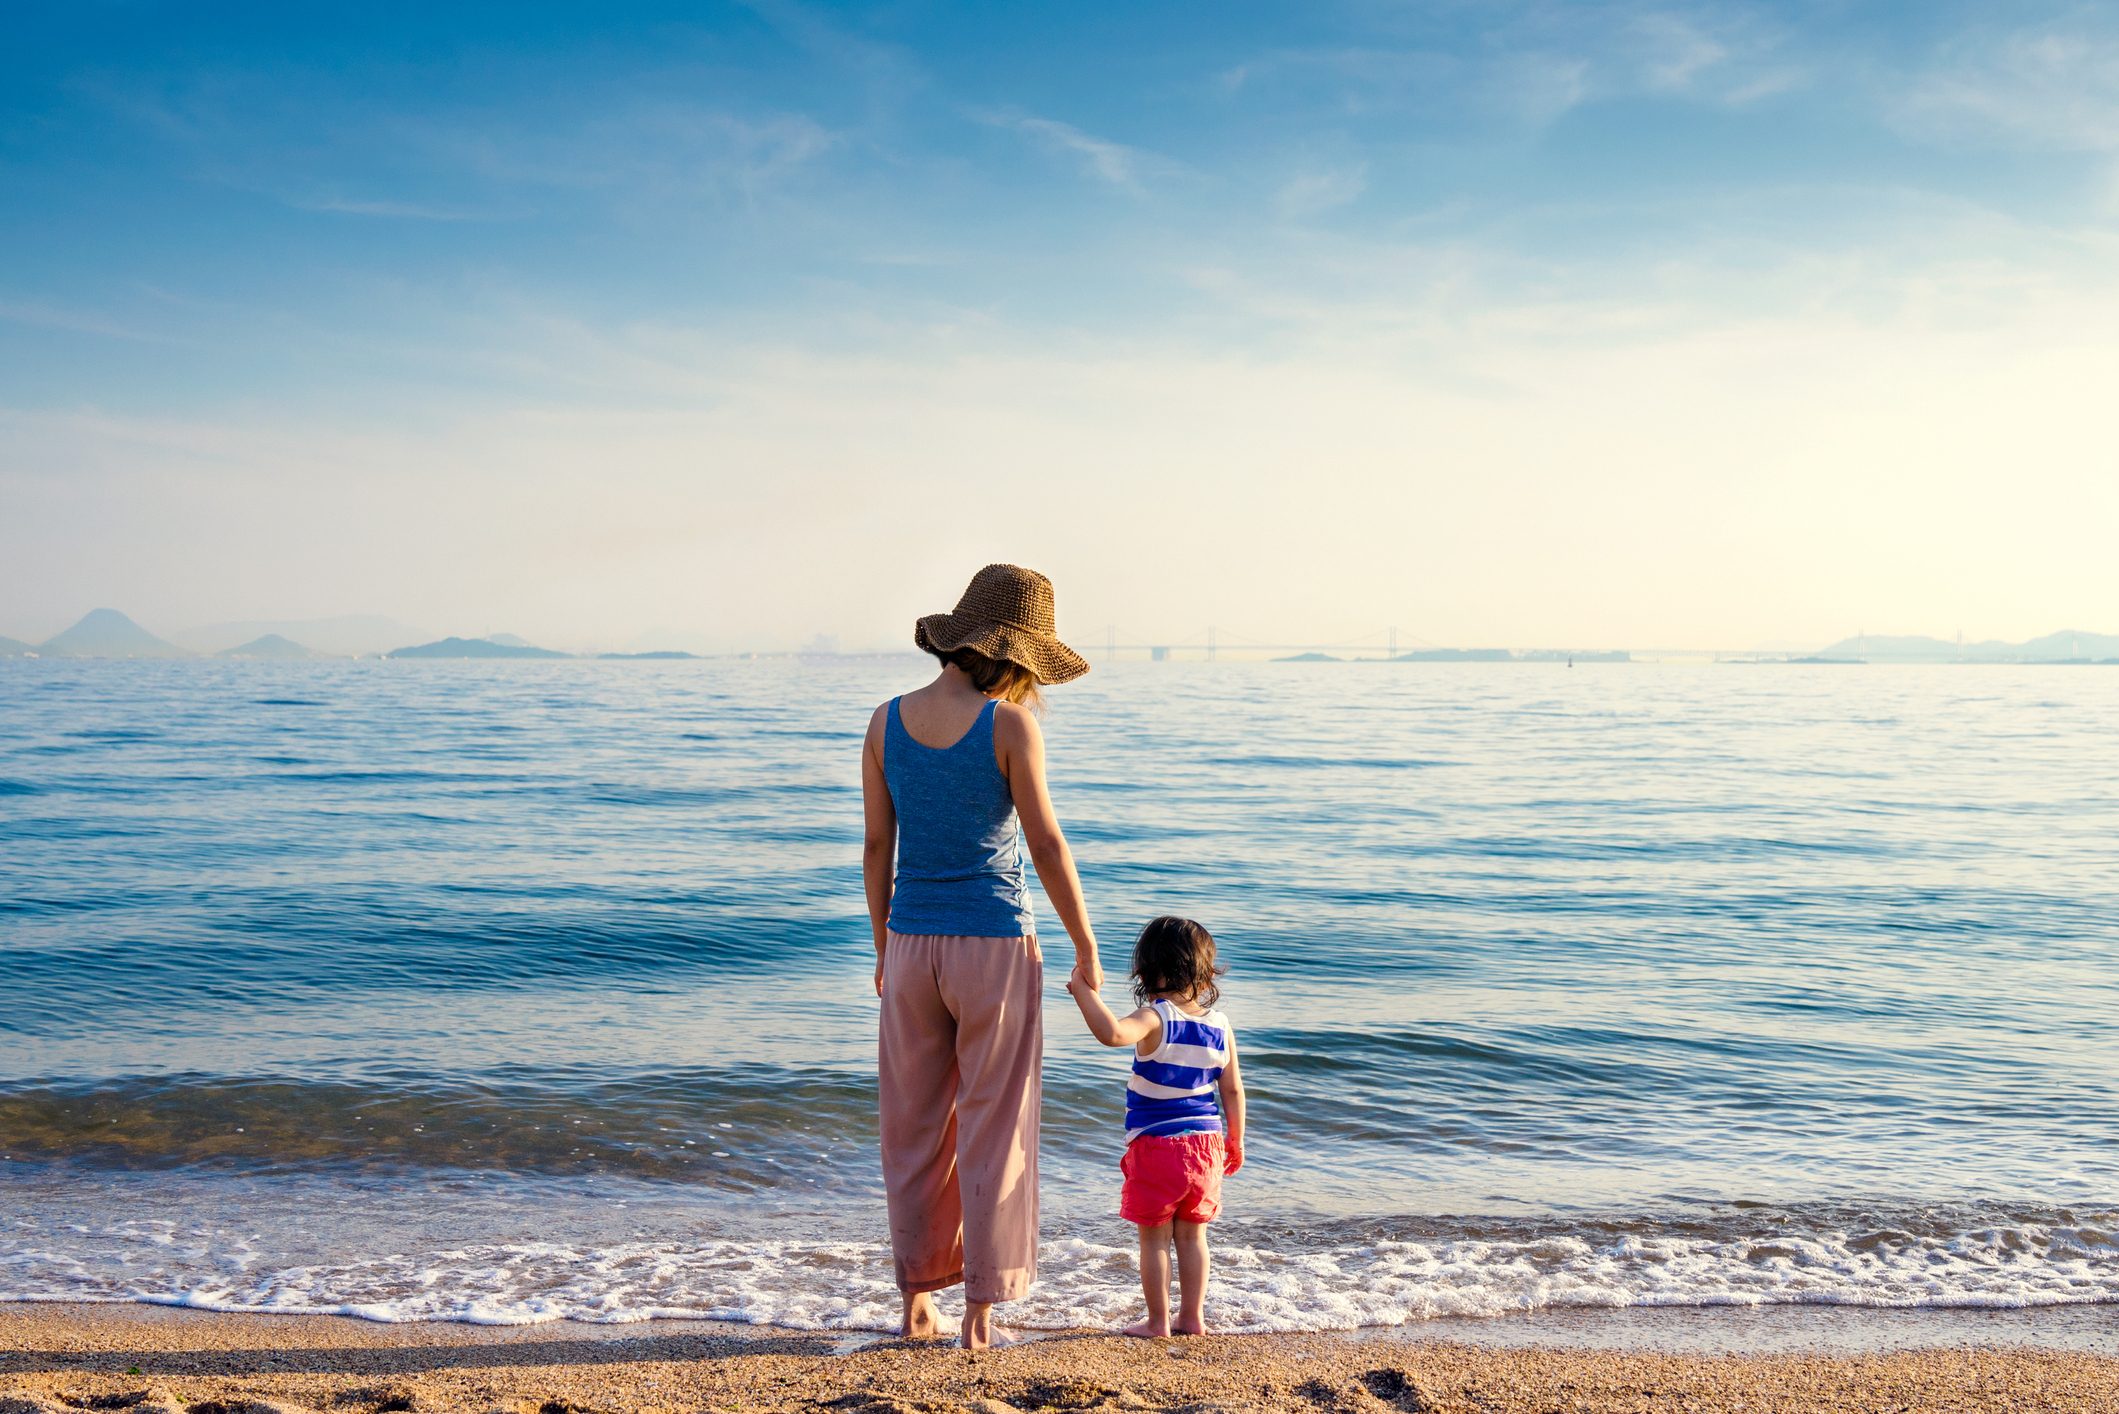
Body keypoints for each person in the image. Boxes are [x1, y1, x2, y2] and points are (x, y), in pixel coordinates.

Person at [861, 563, 1103, 1350]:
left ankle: (914, 1303)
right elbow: (1044, 843)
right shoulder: (1007, 725)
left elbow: (875, 847)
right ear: (1013, 654)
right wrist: (1084, 943)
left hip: (908, 943)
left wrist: (882, 949)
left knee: (913, 1126)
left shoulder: (884, 720)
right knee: (996, 1125)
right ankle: (980, 1313)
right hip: (994, 944)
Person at [1064, 916, 1246, 1338]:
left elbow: (1111, 1033)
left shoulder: (1155, 1017)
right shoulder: (1220, 1026)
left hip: (1158, 1148)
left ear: (1146, 972)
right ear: (1204, 974)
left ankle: (1158, 1321)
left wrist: (1082, 992)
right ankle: (1193, 1318)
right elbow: (1232, 1091)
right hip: (1206, 1147)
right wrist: (1235, 1139)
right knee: (1193, 1238)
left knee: (1154, 1241)